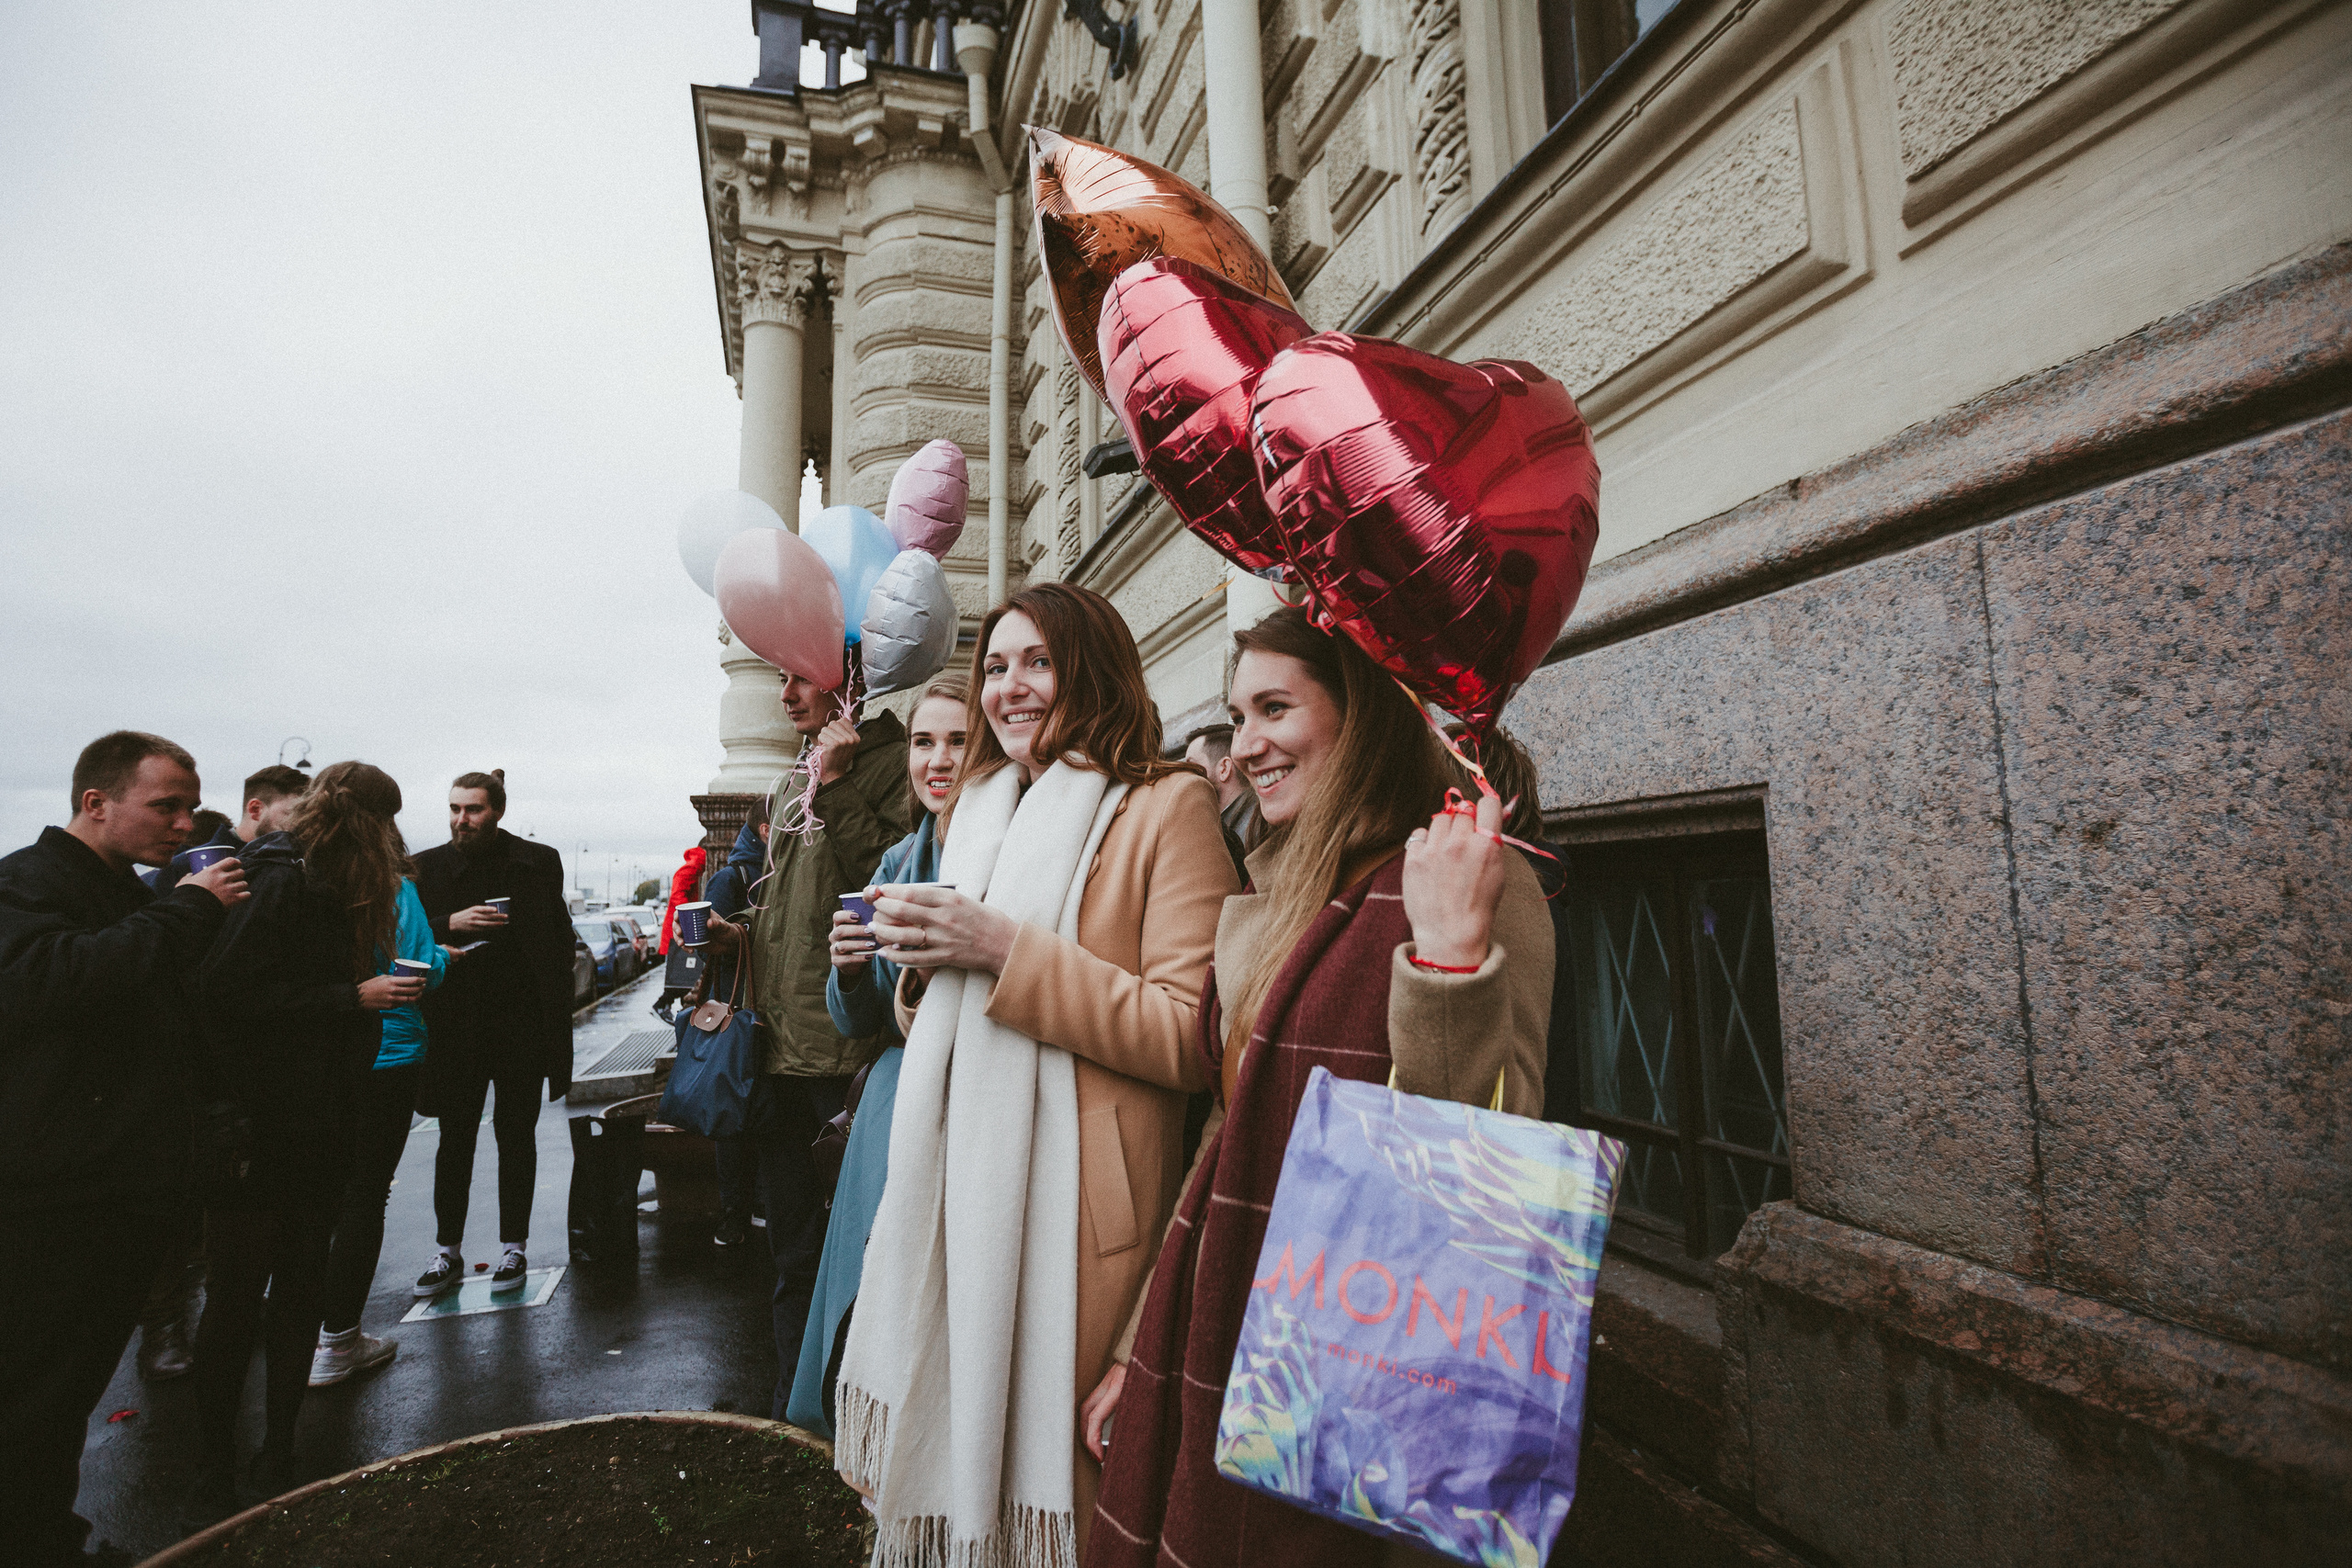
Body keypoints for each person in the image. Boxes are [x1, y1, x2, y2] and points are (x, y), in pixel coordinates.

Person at [1083, 607, 1554, 1568]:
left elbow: (1485, 1172)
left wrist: (1451, 960)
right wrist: (1139, 1346)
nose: (1244, 746)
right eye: (1236, 715)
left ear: (1364, 715)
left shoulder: (1469, 880)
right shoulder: (1279, 887)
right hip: (1222, 1318)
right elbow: (1223, 1134)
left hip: (1372, 1370)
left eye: (1273, 710)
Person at [835, 582, 1238, 1563]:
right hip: (956, 1198)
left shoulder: (1166, 805)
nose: (1010, 688)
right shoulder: (978, 811)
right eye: (996, 667)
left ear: (1089, 669)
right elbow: (944, 1011)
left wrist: (1001, 948)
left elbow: (1191, 1037)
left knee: (1062, 1502)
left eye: (1038, 663)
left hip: (1074, 1217)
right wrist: (919, 972)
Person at [0, 731, 248, 1568]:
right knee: (31, 1396)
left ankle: (48, 1537)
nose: (183, 823)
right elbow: (59, 979)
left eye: (190, 805)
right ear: (95, 803)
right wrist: (189, 907)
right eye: (165, 805)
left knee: (63, 1394)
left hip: (116, 1188)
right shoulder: (24, 882)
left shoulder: (120, 888)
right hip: (56, 1196)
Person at [188, 761, 419, 1519]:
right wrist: (352, 997)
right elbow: (225, 991)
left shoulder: (319, 877)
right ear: (372, 824)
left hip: (317, 1117)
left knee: (289, 1289)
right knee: (243, 1299)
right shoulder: (287, 878)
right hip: (268, 1125)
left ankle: (275, 1453)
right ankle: (219, 1473)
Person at [701, 667, 910, 1412]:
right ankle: (799, 1408)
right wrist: (740, 933)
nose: (785, 694)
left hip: (847, 1051)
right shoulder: (795, 778)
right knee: (790, 1248)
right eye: (781, 678)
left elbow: (885, 882)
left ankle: (868, 1412)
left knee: (866, 1249)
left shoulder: (893, 762)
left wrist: (844, 783)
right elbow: (791, 905)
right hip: (781, 1049)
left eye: (801, 678)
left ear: (846, 681)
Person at [786, 672, 969, 1436]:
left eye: (959, 740)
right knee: (875, 1297)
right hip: (891, 1113)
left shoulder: (1015, 850)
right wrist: (850, 968)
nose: (937, 759)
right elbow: (859, 1019)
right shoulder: (897, 859)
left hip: (968, 1110)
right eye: (924, 741)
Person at [138, 764, 311, 1382]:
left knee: (231, 1201)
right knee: (183, 1201)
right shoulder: (197, 861)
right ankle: (163, 1326)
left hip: (245, 1061)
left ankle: (227, 1311)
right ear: (260, 809)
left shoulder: (279, 866)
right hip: (189, 1053)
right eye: (296, 816)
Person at [411, 771, 572, 1295]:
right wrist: (448, 924)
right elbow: (403, 936)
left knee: (515, 1136)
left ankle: (514, 1249)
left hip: (519, 1024)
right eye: (455, 809)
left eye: (473, 810)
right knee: (454, 1140)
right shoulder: (426, 867)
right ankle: (446, 1252)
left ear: (497, 811)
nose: (462, 820)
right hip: (454, 1025)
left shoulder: (537, 861)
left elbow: (557, 939)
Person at [309, 834, 456, 1387]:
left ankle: (296, 1327)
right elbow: (415, 970)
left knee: (318, 1193)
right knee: (364, 1195)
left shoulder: (301, 879)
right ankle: (339, 1341)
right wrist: (443, 956)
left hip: (319, 1053)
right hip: (388, 1053)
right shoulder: (392, 887)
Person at [699, 795, 771, 1250]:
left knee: (767, 1112)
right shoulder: (732, 878)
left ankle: (761, 1207)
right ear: (766, 830)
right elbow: (708, 943)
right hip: (737, 1014)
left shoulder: (785, 873)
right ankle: (734, 1212)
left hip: (774, 1012)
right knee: (733, 1116)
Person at [1182, 721, 1260, 878]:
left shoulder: (1256, 826)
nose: (1185, 776)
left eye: (1191, 766)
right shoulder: (1233, 822)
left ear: (1224, 768)